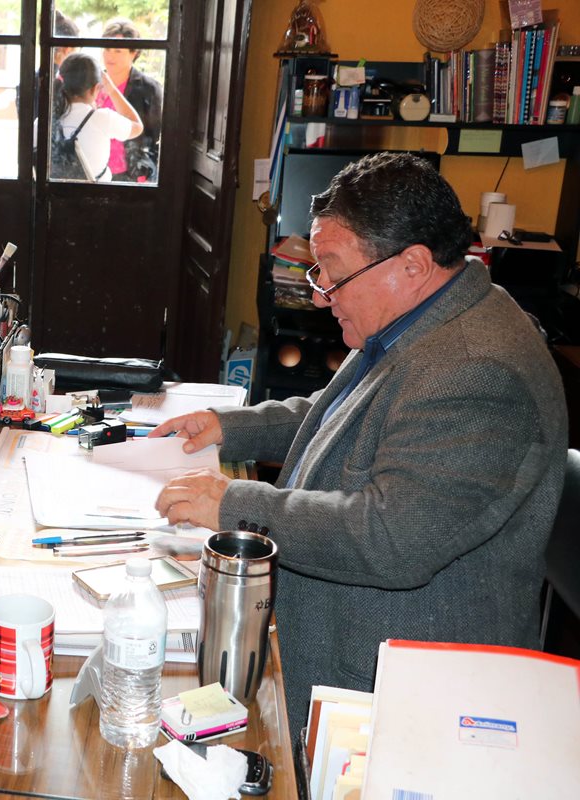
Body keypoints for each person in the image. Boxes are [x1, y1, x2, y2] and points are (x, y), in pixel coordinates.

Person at [151, 152, 567, 742]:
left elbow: (391, 538)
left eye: (332, 273)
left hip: (397, 691)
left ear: (414, 264)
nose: (321, 295)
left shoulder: (478, 370)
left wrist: (234, 505)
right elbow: (342, 415)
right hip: (346, 634)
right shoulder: (425, 317)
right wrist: (232, 427)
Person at [53, 52, 143, 182]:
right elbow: (137, 126)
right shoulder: (102, 119)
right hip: (95, 197)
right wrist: (111, 88)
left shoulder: (43, 122)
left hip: (54, 198)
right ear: (96, 88)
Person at [100, 18, 163, 183]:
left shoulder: (149, 88)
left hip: (131, 175)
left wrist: (145, 172)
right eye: (107, 48)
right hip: (94, 171)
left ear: (133, 53)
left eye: (118, 51)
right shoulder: (92, 83)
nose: (110, 55)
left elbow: (153, 136)